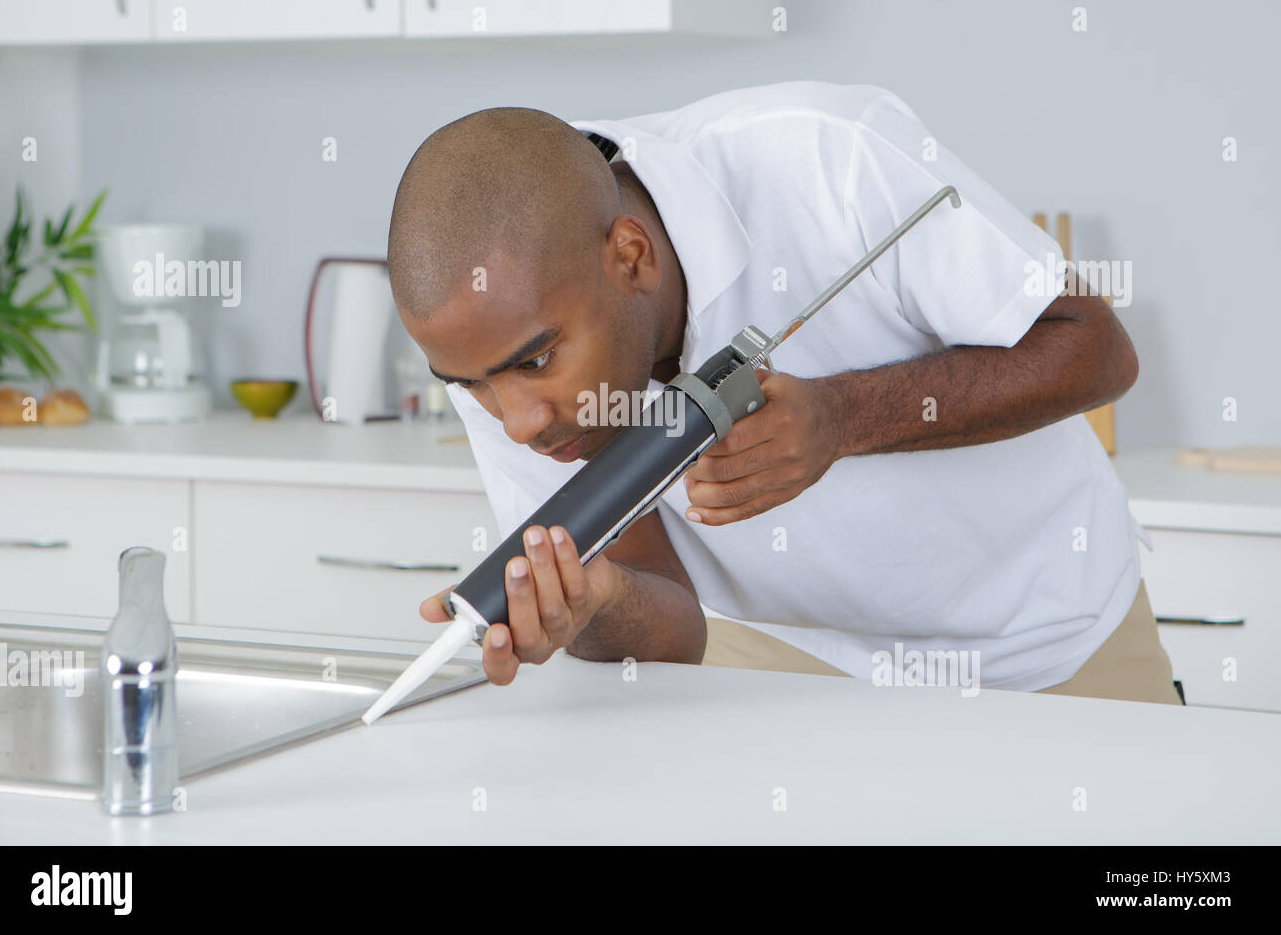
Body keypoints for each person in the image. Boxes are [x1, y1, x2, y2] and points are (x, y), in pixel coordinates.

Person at [385, 81, 1181, 705]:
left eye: (538, 361)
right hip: (794, 677)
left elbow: (1096, 348)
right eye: (470, 387)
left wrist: (842, 418)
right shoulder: (490, 341)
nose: (517, 423)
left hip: (1053, 645)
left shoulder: (830, 159)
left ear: (630, 257)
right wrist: (596, 606)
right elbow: (667, 613)